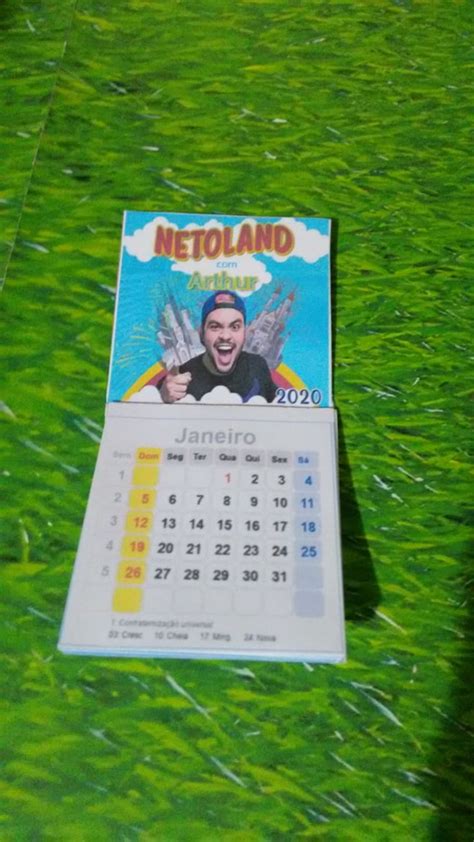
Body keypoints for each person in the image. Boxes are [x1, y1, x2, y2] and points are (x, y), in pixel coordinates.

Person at [160, 291, 277, 403]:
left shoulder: (258, 366)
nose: (225, 336)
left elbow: (279, 404)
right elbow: (161, 394)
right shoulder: (181, 377)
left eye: (235, 327)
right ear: (202, 334)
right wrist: (163, 395)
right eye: (215, 326)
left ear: (244, 334)